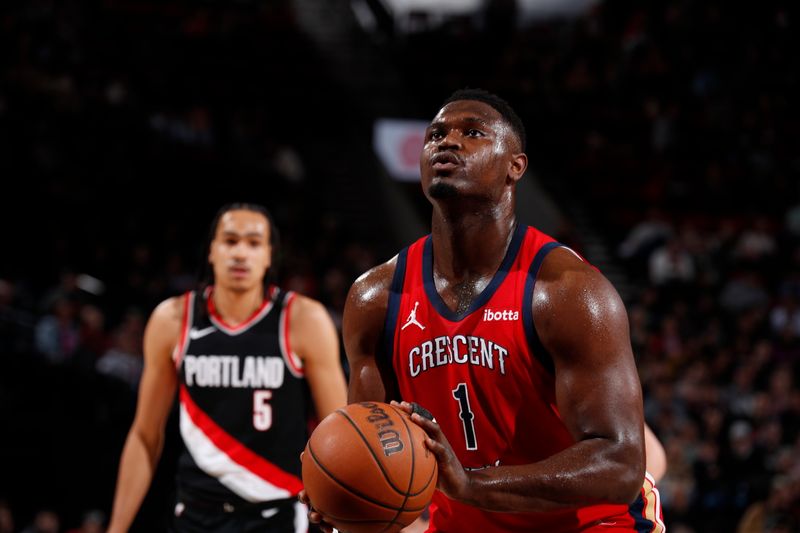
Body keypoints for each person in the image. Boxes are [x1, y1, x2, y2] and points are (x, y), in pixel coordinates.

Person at [306, 89, 665, 531]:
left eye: (471, 132)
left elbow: (621, 466)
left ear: (516, 167)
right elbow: (373, 449)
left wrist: (472, 485)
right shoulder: (376, 298)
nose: (447, 141)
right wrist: (347, 495)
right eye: (436, 134)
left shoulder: (568, 292)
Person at [108, 202, 347, 533]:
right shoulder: (173, 320)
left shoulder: (303, 320)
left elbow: (340, 435)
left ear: (269, 256)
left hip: (277, 512)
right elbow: (145, 436)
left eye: (253, 243)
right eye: (230, 241)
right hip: (195, 513)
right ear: (211, 251)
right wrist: (116, 528)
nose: (240, 253)